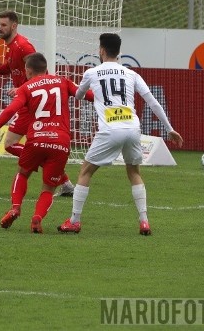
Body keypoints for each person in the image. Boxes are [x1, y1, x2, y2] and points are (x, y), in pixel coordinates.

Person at [58, 33, 183, 236]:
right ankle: (144, 222)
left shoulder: (92, 73)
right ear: (119, 52)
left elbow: (79, 95)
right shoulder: (131, 74)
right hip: (132, 128)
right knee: (134, 172)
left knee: (85, 172)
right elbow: (153, 102)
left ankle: (74, 221)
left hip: (109, 129)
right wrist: (169, 129)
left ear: (101, 50)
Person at [0, 53, 92, 234]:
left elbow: (10, 110)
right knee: (48, 188)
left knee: (23, 173)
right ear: (46, 69)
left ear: (28, 71)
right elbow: (90, 96)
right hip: (61, 142)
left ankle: (15, 208)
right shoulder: (63, 82)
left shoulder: (26, 87)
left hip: (37, 139)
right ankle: (37, 218)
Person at [0, 10, 77, 197]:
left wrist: (22, 89)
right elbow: (10, 68)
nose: (0, 28)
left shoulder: (23, 46)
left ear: (14, 26)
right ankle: (63, 180)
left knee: (11, 144)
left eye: (3, 25)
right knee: (16, 145)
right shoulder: (10, 47)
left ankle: (59, 176)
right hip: (27, 102)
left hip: (31, 103)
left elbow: (40, 73)